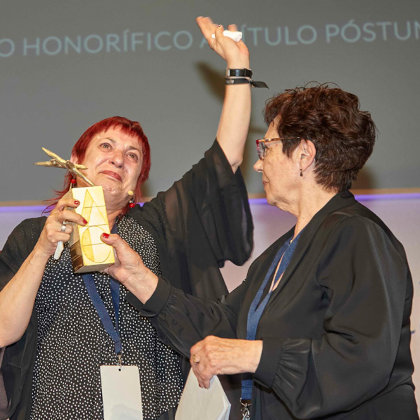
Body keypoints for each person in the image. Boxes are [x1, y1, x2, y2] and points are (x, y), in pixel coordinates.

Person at [102, 83, 419, 419]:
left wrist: (251, 356)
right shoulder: (281, 253)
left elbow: (361, 358)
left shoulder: (356, 234)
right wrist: (136, 277)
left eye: (266, 147)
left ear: (303, 156)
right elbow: (223, 325)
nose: (257, 164)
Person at [0, 17, 255, 420]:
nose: (119, 157)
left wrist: (238, 68)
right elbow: (3, 330)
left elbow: (226, 159)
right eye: (107, 145)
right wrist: (44, 247)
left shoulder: (157, 226)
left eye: (132, 155)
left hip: (150, 407)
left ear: (137, 183)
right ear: (76, 160)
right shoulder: (32, 234)